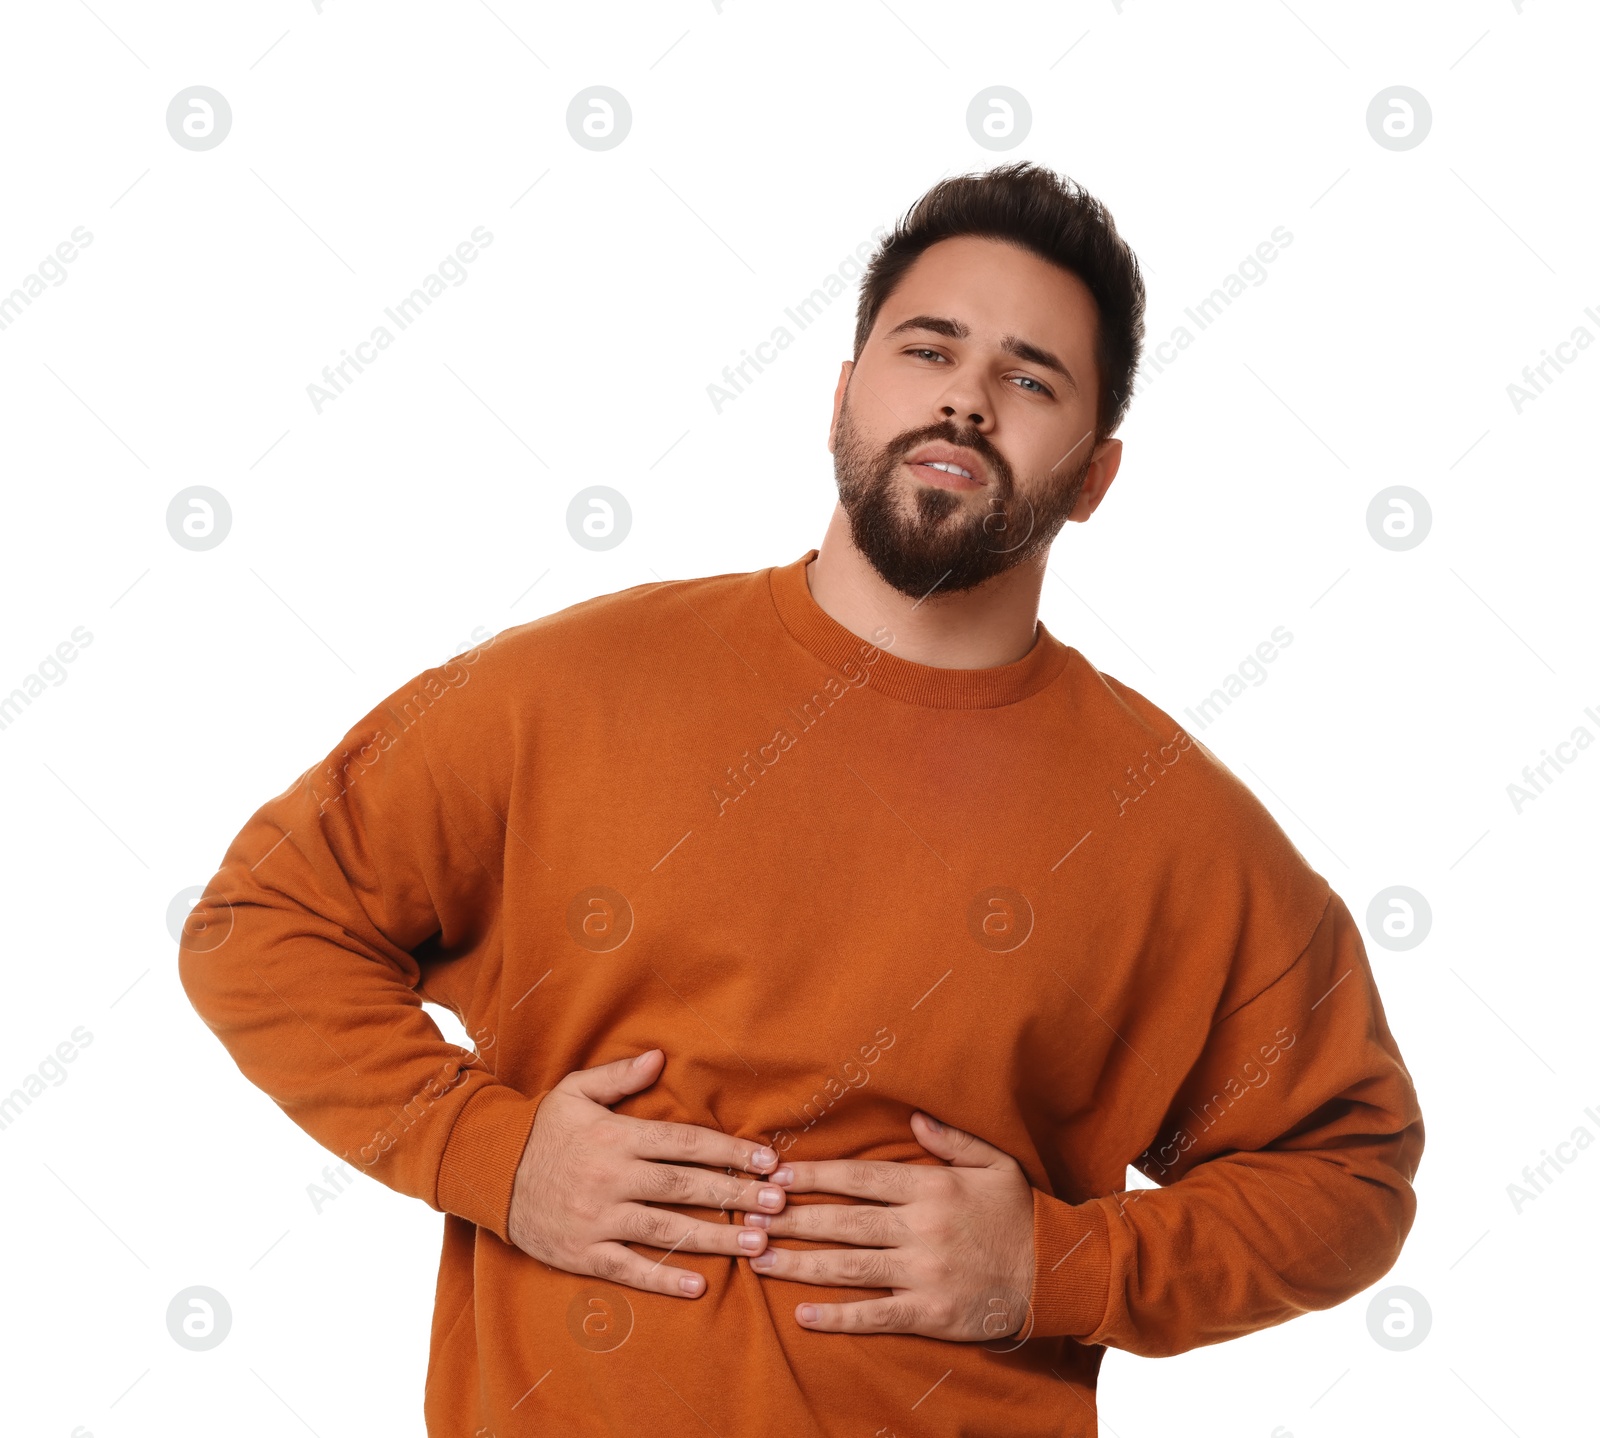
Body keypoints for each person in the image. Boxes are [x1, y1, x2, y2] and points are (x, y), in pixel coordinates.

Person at [179, 161, 1424, 1436]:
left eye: (1030, 376)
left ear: (1095, 474)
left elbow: (1350, 1172)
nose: (966, 398)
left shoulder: (1177, 833)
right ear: (843, 394)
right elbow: (259, 926)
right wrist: (491, 1155)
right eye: (926, 347)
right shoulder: (569, 688)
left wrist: (1056, 1265)